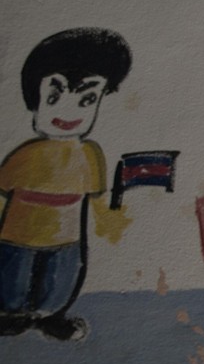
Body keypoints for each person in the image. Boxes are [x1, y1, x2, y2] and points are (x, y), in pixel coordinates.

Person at [0, 28, 133, 341]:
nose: (69, 111)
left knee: (59, 283)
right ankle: (11, 316)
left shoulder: (90, 155)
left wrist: (114, 220)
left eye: (87, 99)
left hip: (67, 237)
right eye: (55, 96)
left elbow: (95, 198)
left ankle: (51, 318)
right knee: (13, 282)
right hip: (18, 235)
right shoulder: (26, 154)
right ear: (34, 99)